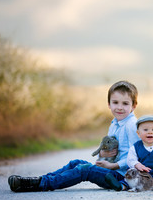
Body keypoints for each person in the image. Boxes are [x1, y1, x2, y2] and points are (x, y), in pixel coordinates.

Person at [8, 80, 140, 192]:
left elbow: (137, 156)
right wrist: (104, 157)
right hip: (113, 170)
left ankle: (42, 184)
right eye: (115, 102)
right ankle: (40, 179)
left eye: (125, 103)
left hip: (122, 177)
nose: (119, 107)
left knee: (84, 170)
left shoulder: (131, 125)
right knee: (76, 163)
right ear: (109, 104)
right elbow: (113, 151)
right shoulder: (115, 124)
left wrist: (113, 166)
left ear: (133, 106)